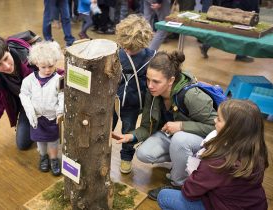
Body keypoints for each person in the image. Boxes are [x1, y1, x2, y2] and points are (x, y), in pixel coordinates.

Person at [112, 50, 217, 199]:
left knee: (180, 140)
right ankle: (182, 161)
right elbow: (146, 126)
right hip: (173, 136)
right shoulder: (153, 93)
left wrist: (181, 126)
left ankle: (179, 184)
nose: (150, 85)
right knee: (143, 154)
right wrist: (130, 136)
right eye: (148, 79)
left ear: (171, 80)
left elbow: (218, 128)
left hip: (203, 141)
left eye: (156, 81)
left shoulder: (191, 95)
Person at [157, 99, 268, 210]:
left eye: (219, 119)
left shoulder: (217, 161)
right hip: (255, 204)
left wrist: (195, 173)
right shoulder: (257, 149)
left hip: (221, 205)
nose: (214, 120)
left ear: (231, 128)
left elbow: (189, 192)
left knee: (164, 196)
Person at [0, 35, 38, 150]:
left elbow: (53, 71)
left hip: (46, 99)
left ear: (8, 50)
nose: (6, 66)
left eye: (6, 58)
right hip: (27, 106)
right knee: (22, 145)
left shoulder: (30, 56)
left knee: (48, 133)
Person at [113, 14, 155, 174]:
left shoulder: (151, 57)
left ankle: (126, 157)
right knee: (104, 127)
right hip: (112, 100)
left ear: (143, 43)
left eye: (133, 48)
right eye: (125, 47)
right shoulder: (116, 52)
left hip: (133, 104)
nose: (128, 51)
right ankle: (102, 152)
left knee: (128, 131)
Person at [19, 41, 64, 176]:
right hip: (37, 118)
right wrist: (30, 111)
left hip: (52, 118)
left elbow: (62, 95)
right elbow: (24, 95)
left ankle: (54, 159)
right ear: (36, 63)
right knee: (40, 140)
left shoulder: (59, 79)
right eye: (43, 67)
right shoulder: (28, 80)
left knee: (53, 140)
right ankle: (43, 157)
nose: (47, 70)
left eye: (51, 66)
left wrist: (60, 111)